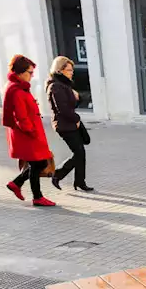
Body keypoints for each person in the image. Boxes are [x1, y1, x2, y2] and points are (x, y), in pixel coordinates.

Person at [2, 55, 56, 207]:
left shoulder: (18, 87)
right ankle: (37, 197)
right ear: (20, 72)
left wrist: (32, 104)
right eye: (30, 72)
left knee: (37, 163)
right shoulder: (17, 90)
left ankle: (17, 184)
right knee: (39, 163)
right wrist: (31, 131)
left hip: (27, 133)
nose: (32, 76)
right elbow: (20, 116)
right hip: (27, 135)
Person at [48, 56, 93, 192]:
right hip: (64, 126)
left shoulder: (65, 85)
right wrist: (77, 119)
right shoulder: (55, 86)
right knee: (79, 152)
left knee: (80, 152)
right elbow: (63, 109)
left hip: (71, 123)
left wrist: (77, 97)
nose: (71, 72)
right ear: (59, 71)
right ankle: (58, 175)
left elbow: (71, 105)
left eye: (72, 70)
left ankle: (79, 181)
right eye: (68, 70)